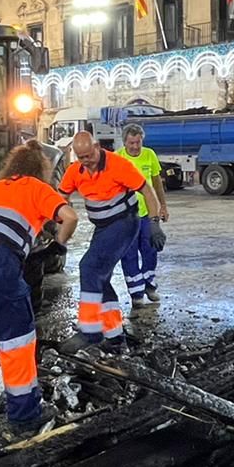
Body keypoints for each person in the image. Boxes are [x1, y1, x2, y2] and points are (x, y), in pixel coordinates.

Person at [0, 142, 78, 429]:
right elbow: (70, 218)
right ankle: (24, 414)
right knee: (16, 338)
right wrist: (58, 244)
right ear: (39, 169)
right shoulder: (38, 188)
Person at [58, 130, 164, 351]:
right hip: (103, 226)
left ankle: (90, 332)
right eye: (81, 157)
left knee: (88, 267)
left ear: (97, 147)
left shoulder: (118, 165)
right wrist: (56, 220)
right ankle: (115, 337)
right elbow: (62, 197)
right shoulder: (75, 171)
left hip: (125, 222)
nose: (87, 161)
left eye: (89, 155)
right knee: (100, 278)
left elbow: (147, 190)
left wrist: (154, 223)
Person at [118, 123, 168, 306]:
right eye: (131, 143)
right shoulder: (118, 158)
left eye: (138, 142)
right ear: (125, 142)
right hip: (125, 216)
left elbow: (157, 183)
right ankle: (136, 293)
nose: (135, 147)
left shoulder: (149, 155)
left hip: (148, 213)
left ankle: (149, 285)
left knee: (151, 250)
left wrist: (163, 206)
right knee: (129, 255)